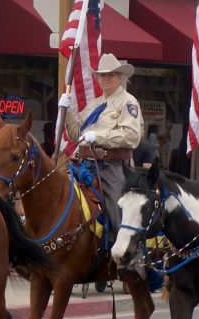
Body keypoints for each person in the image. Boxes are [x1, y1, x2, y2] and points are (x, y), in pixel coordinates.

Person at [59, 53, 144, 258]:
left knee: (117, 208)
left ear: (119, 77)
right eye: (102, 76)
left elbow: (132, 136)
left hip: (113, 165)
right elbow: (76, 133)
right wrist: (67, 111)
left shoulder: (128, 102)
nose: (105, 79)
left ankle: (129, 255)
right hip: (85, 163)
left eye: (110, 75)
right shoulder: (95, 104)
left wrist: (99, 136)